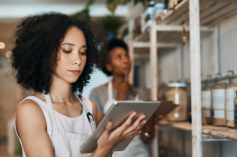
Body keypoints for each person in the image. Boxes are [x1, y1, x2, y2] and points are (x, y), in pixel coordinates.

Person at [12, 12, 146, 157]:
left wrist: (111, 144)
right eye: (67, 50)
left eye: (83, 52)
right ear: (44, 53)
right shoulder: (31, 110)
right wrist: (104, 148)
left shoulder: (89, 107)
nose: (78, 60)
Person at [90, 38, 162, 157]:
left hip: (140, 153)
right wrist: (119, 99)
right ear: (108, 66)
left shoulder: (140, 93)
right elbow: (100, 134)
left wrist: (150, 124)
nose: (126, 60)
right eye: (119, 57)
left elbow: (146, 138)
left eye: (127, 56)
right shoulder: (97, 93)